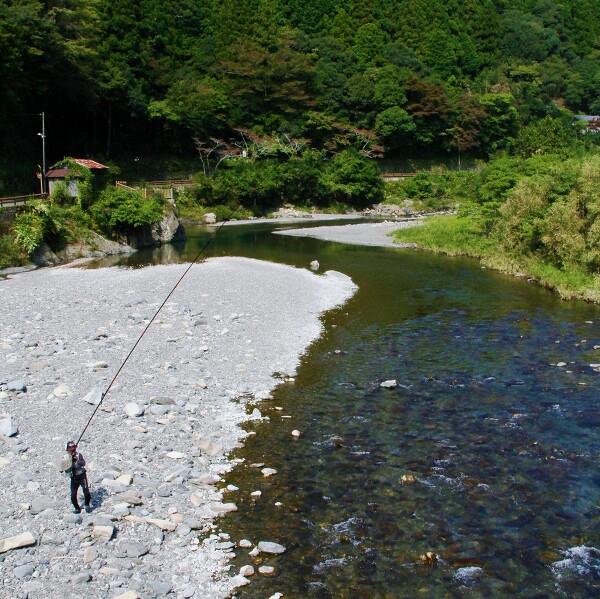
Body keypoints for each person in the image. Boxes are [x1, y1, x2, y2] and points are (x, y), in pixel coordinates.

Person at [65, 441, 92, 513]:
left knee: (86, 492)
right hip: (73, 478)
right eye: (70, 450)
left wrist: (77, 461)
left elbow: (83, 463)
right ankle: (77, 508)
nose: (71, 451)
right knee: (73, 495)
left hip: (82, 476)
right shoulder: (66, 458)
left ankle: (87, 504)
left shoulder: (79, 455)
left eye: (72, 450)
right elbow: (64, 468)